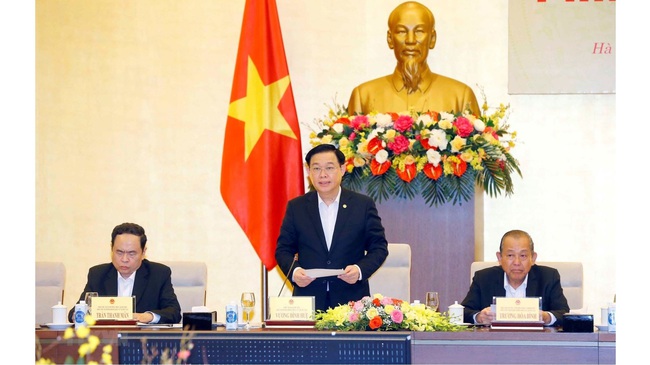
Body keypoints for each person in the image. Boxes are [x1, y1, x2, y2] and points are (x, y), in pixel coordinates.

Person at [275, 144, 389, 312]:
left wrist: (359, 270)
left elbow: (379, 248)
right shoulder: (296, 207)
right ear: (308, 172)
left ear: (342, 169)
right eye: (316, 168)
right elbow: (283, 250)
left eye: (329, 167)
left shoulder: (362, 205)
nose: (323, 175)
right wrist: (295, 272)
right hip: (308, 302)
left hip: (351, 302)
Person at [348, 1, 480, 116]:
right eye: (401, 31)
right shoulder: (364, 96)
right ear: (390, 39)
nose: (410, 40)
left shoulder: (460, 96)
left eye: (419, 31)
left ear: (432, 39)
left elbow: (478, 144)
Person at [67, 222, 181, 324]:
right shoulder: (97, 274)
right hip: (106, 340)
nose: (124, 259)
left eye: (132, 253)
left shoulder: (158, 274)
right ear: (112, 249)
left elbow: (174, 312)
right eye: (119, 252)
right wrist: (78, 315)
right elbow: (76, 311)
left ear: (143, 252)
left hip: (141, 341)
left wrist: (146, 316)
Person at [461, 229, 570, 326]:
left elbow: (564, 314)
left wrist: (546, 317)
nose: (517, 262)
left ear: (533, 258)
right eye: (510, 255)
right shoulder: (483, 278)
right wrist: (479, 317)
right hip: (495, 343)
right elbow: (463, 312)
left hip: (536, 343)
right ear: (499, 258)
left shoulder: (548, 277)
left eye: (523, 256)